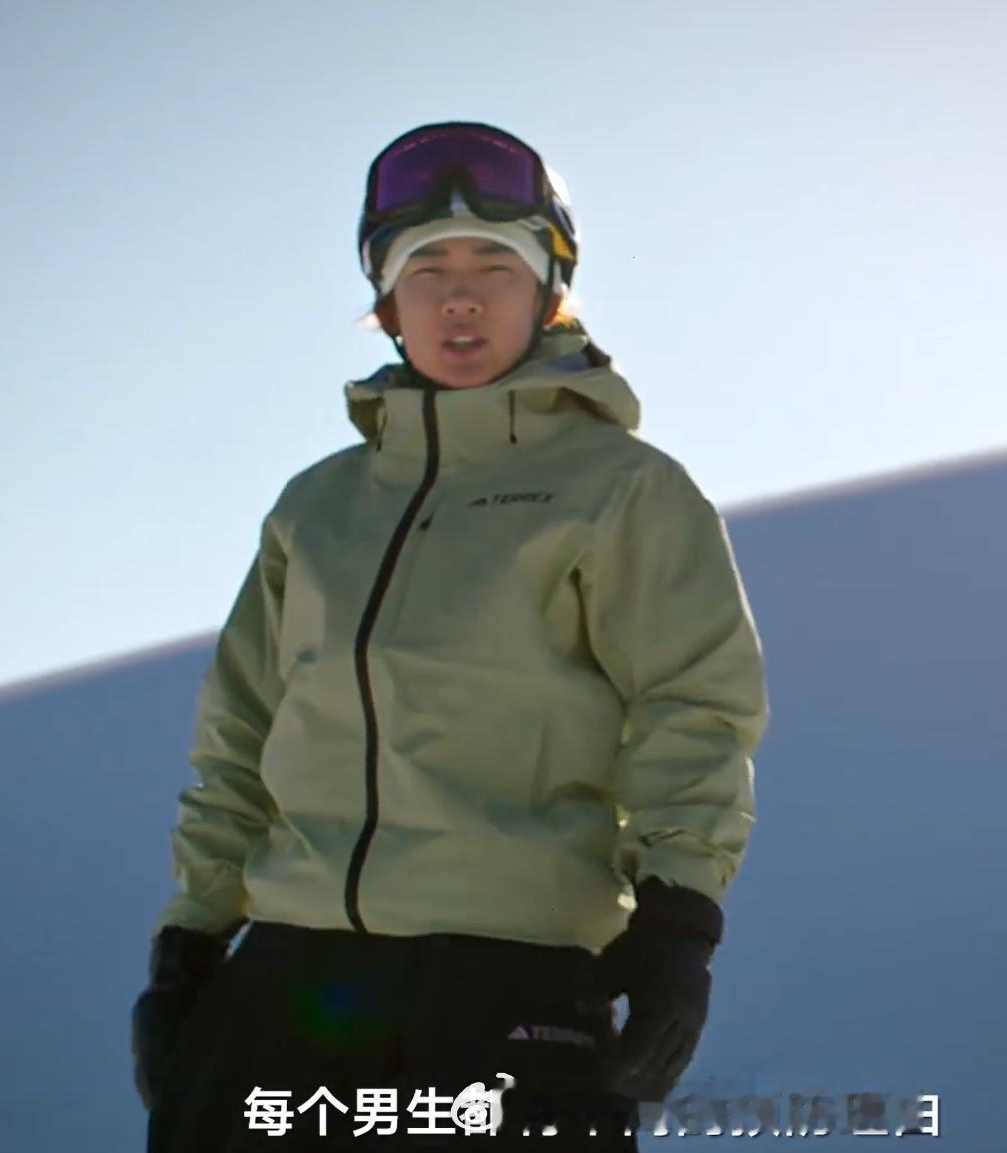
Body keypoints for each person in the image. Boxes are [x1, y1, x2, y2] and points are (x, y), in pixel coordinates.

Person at [132, 121, 771, 1151]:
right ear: (387, 304)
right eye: (426, 270)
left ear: (548, 293)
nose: (459, 298)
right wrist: (191, 944)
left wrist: (675, 925)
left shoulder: (623, 490)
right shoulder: (316, 507)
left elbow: (691, 707)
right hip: (290, 979)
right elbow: (240, 733)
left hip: (509, 976)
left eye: (494, 268)